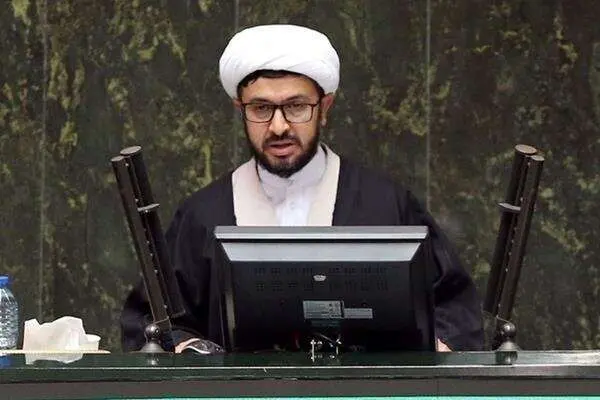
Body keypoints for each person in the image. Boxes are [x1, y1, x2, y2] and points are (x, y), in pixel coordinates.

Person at [120, 24, 484, 353]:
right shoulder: (203, 215)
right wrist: (186, 347)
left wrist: (439, 346)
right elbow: (155, 322)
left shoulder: (384, 203)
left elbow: (454, 308)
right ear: (239, 109)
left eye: (296, 107)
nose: (278, 126)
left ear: (325, 107)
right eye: (261, 108)